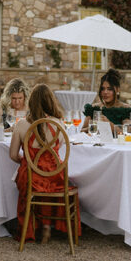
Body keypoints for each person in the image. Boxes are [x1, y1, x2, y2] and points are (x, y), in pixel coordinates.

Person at [10, 83, 80, 244]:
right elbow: (56, 152)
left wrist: (28, 162)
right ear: (51, 101)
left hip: (30, 176)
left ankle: (31, 226)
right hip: (55, 175)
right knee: (49, 182)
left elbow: (13, 155)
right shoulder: (59, 124)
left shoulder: (21, 124)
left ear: (31, 102)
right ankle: (47, 226)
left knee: (31, 181)